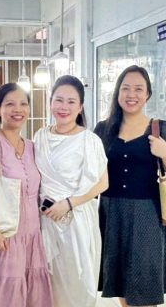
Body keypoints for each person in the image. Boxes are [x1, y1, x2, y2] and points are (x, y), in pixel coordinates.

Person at [94, 65, 166, 307]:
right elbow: (90, 172)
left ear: (147, 94)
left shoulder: (159, 128)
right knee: (121, 285)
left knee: (144, 287)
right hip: (111, 213)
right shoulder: (103, 129)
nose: (131, 94)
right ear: (117, 93)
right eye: (126, 88)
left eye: (138, 89)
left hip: (147, 215)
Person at [0, 83, 53, 307]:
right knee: (8, 294)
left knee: (32, 294)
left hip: (33, 236)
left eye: (23, 104)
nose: (18, 109)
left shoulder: (32, 147)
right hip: (5, 235)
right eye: (10, 104)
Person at [33, 75, 109, 307]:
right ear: (50, 102)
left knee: (76, 283)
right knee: (48, 285)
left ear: (80, 107)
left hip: (77, 221)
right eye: (59, 100)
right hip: (45, 220)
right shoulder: (40, 136)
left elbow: (102, 183)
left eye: (71, 101)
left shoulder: (89, 140)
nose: (63, 107)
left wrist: (68, 204)